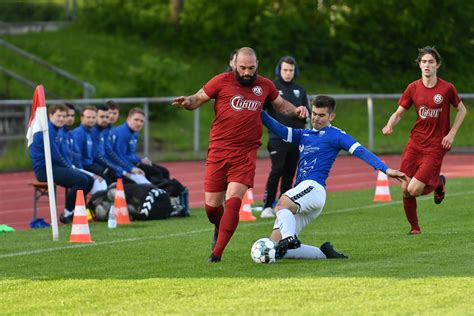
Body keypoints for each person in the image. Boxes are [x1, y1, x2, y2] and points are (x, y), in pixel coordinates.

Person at [172, 47, 309, 263]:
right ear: (234, 64)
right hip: (218, 151)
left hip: (245, 154)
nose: (247, 72)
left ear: (257, 66)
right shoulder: (221, 81)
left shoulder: (264, 85)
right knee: (211, 207)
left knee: (234, 203)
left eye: (251, 68)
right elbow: (198, 98)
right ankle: (219, 226)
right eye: (243, 68)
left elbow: (281, 106)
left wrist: (296, 110)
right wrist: (187, 102)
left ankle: (216, 254)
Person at [261, 95, 406, 260]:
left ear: (331, 116)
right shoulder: (304, 134)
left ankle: (290, 238)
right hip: (303, 193)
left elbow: (360, 151)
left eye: (321, 115)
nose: (316, 118)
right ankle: (324, 253)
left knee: (282, 204)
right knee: (276, 247)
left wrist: (385, 169)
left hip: (313, 188)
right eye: (314, 113)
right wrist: (256, 110)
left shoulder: (335, 135)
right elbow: (277, 128)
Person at [382, 46, 467, 235]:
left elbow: (462, 110)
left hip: (436, 146)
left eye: (431, 61)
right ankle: (415, 228)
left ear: (437, 65)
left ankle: (437, 183)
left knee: (414, 189)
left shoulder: (447, 88)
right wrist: (390, 125)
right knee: (405, 188)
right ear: (419, 65)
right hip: (415, 143)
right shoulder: (413, 88)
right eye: (423, 61)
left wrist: (451, 134)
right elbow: (399, 113)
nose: (427, 65)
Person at [261, 56, 310, 219]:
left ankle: (283, 205)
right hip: (277, 137)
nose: (288, 73)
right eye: (285, 70)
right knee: (277, 170)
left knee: (289, 173)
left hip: (296, 138)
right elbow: (263, 110)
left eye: (291, 70)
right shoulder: (272, 87)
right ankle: (267, 205)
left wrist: (304, 115)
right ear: (279, 70)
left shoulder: (300, 90)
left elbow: (306, 114)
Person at [29, 104, 94, 224]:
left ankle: (76, 211)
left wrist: (71, 166)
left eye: (63, 116)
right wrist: (69, 168)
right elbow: (55, 156)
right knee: (81, 180)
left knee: (89, 180)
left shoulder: (58, 131)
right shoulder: (47, 131)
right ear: (50, 115)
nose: (61, 119)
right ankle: (67, 212)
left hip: (55, 166)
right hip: (44, 169)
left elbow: (64, 153)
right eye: (58, 116)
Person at [109, 107, 170, 184]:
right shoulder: (122, 134)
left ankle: (166, 192)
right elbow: (121, 156)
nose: (139, 123)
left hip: (132, 162)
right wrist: (136, 164)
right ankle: (155, 193)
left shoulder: (134, 134)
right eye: (136, 120)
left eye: (142, 121)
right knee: (156, 173)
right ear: (128, 119)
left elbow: (131, 154)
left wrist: (141, 159)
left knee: (164, 171)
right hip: (125, 165)